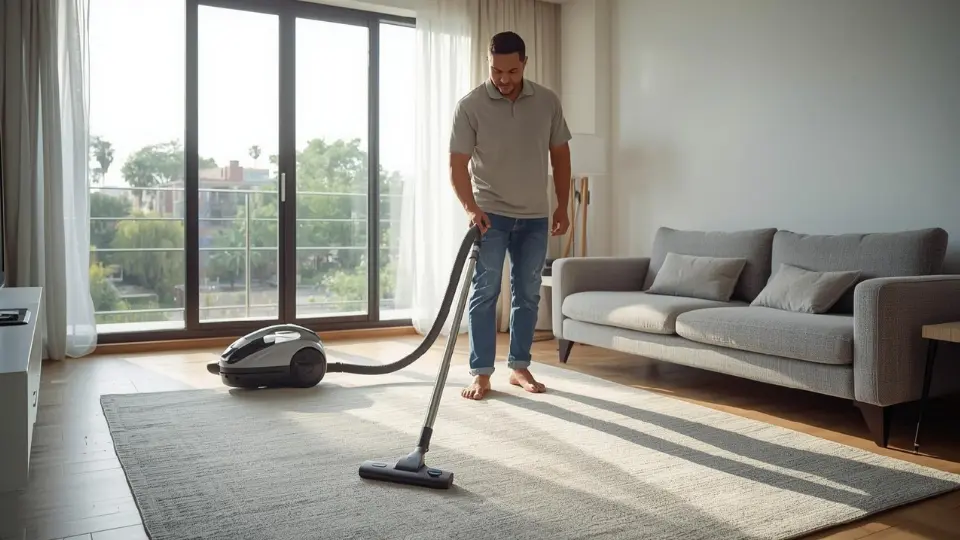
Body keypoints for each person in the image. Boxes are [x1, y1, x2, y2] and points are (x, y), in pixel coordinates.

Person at [448, 31, 572, 400]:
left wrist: (562, 204)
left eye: (512, 71)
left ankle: (519, 366)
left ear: (525, 63)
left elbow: (561, 156)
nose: (503, 79)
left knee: (528, 294)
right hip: (490, 215)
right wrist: (471, 208)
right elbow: (457, 165)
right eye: (496, 70)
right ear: (489, 63)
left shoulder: (547, 101)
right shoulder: (470, 105)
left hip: (534, 215)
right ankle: (481, 373)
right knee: (485, 293)